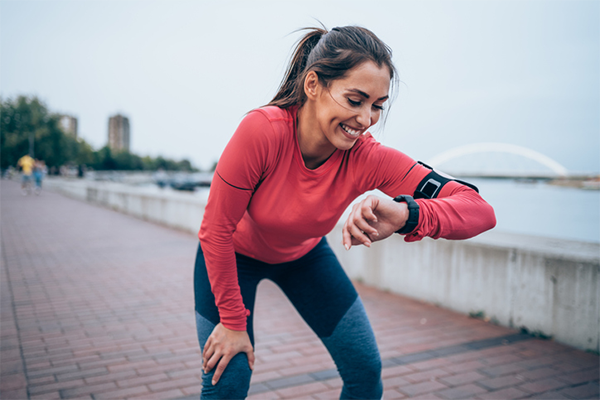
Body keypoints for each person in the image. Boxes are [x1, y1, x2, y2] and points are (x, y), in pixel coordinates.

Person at [194, 26, 496, 399]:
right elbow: (216, 230)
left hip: (304, 257)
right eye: (355, 100)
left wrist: (406, 214)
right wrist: (233, 322)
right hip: (232, 257)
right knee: (231, 378)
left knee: (365, 373)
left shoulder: (368, 158)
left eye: (377, 106)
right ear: (312, 85)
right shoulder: (263, 131)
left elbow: (479, 210)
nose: (367, 119)